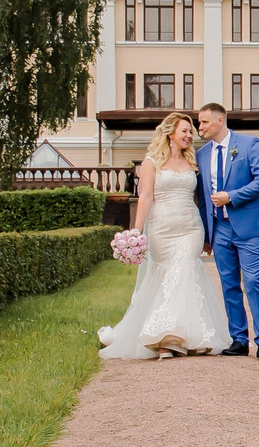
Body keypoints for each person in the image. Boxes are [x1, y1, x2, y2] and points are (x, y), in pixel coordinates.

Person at [97, 111, 231, 361]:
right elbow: (145, 197)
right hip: (162, 229)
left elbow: (200, 198)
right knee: (170, 277)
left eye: (191, 131)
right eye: (185, 131)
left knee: (186, 271)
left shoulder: (193, 163)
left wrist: (208, 232)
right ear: (170, 134)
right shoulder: (152, 162)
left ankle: (178, 338)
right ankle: (166, 336)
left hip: (190, 227)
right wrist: (136, 231)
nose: (190, 135)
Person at [194, 101, 259, 357]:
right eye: (198, 122)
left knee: (252, 281)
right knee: (229, 285)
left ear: (220, 120)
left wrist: (232, 196)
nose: (200, 127)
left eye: (204, 122)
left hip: (249, 226)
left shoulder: (250, 144)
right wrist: (208, 233)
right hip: (220, 229)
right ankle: (239, 339)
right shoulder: (202, 154)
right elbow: (204, 197)